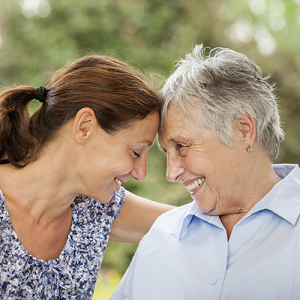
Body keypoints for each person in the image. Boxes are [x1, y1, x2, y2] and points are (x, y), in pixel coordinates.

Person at [111, 45, 300, 300]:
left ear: (243, 131)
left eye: (181, 145)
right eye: (167, 152)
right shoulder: (161, 235)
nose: (172, 173)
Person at [0, 54, 173, 299]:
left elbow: (191, 224)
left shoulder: (96, 209)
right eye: (135, 152)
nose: (141, 173)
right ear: (84, 126)